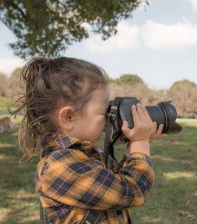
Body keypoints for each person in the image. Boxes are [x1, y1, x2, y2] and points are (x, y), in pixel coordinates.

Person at [13, 56, 166, 223]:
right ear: (68, 117)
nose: (109, 118)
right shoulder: (59, 168)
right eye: (103, 112)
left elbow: (119, 180)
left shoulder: (84, 155)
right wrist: (140, 143)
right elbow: (132, 191)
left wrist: (134, 142)